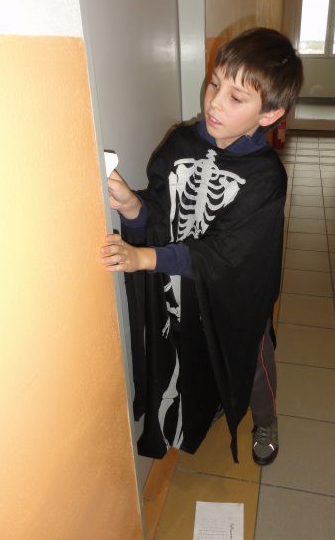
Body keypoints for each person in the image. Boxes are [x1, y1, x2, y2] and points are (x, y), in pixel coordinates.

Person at [100, 27, 303, 466]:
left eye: (236, 97)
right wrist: (133, 206)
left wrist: (144, 258)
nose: (213, 102)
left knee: (250, 356)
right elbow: (160, 208)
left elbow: (227, 254)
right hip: (183, 282)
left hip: (238, 291)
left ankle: (265, 419)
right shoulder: (181, 142)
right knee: (189, 346)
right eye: (214, 84)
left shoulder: (266, 178)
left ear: (269, 114)